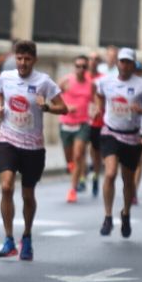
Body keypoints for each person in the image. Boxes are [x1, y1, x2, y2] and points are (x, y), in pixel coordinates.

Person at [0, 39, 66, 261]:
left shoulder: (44, 82)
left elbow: (64, 107)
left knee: (27, 194)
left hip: (33, 146)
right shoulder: (6, 77)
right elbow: (1, 93)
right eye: (20, 58)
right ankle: (8, 238)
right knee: (5, 187)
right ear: (15, 58)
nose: (23, 63)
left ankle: (27, 236)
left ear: (34, 60)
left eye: (27, 59)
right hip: (8, 140)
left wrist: (47, 107)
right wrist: (0, 105)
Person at [92, 48, 142, 237]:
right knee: (111, 173)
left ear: (133, 64)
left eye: (128, 62)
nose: (124, 65)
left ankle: (126, 213)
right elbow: (98, 93)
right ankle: (107, 216)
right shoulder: (106, 81)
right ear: (117, 63)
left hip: (131, 136)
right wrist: (98, 108)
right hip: (110, 132)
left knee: (128, 180)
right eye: (122, 61)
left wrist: (141, 110)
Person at [57, 55, 95, 202]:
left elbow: (96, 101)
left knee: (78, 155)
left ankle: (72, 189)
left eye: (84, 67)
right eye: (78, 66)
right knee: (70, 159)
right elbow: (52, 95)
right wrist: (65, 106)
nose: (81, 69)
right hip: (66, 123)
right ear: (74, 67)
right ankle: (74, 169)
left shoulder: (91, 84)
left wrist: (95, 109)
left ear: (87, 68)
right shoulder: (66, 80)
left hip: (83, 123)